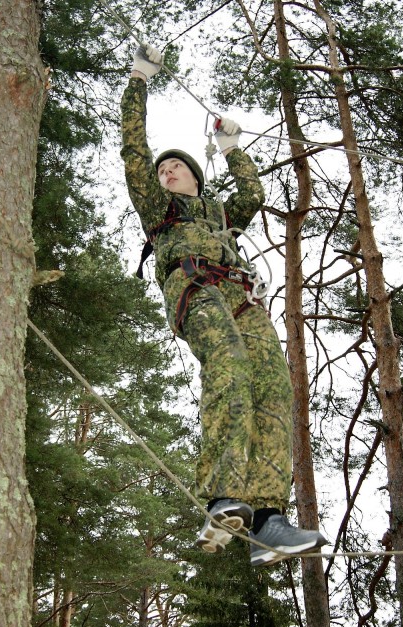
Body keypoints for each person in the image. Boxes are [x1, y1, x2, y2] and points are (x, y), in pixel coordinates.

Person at [121, 44, 328, 566]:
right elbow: (134, 150)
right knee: (229, 366)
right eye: (163, 168)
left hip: (241, 295)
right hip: (195, 287)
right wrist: (139, 80)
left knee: (273, 385)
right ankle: (222, 496)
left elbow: (252, 195)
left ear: (196, 177)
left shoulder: (217, 214)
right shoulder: (158, 208)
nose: (167, 170)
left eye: (176, 166)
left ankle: (267, 517)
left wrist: (232, 146)